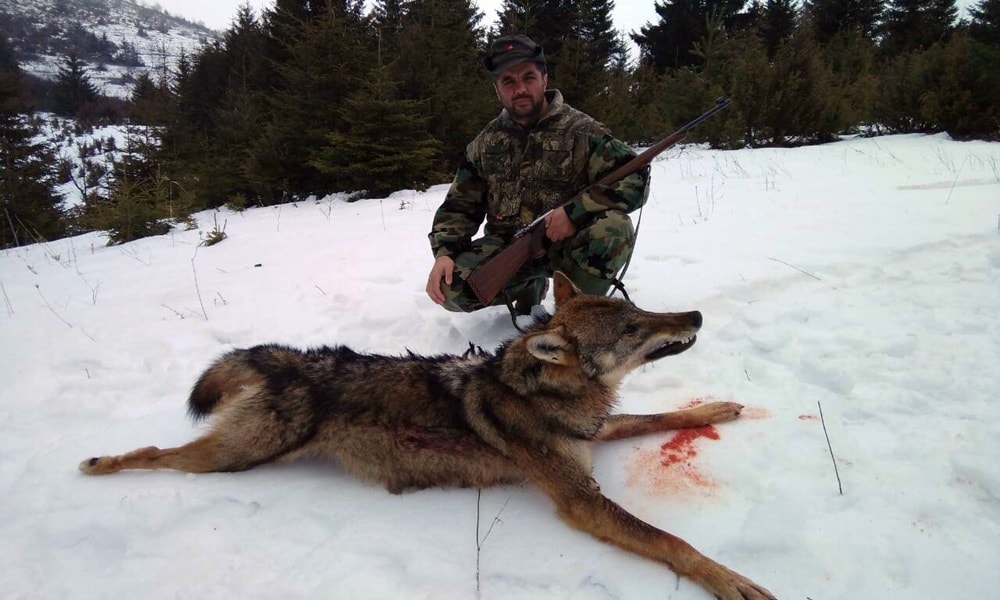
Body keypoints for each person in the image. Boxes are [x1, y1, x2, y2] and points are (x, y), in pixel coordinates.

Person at [425, 34, 649, 315]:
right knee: (449, 289)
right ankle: (526, 286)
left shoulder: (583, 131)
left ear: (544, 79)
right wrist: (444, 252)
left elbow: (634, 178)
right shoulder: (485, 143)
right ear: (497, 90)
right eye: (509, 81)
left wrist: (575, 213)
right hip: (508, 248)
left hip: (566, 245)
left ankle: (576, 312)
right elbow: (459, 206)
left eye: (528, 78)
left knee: (613, 229)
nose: (520, 89)